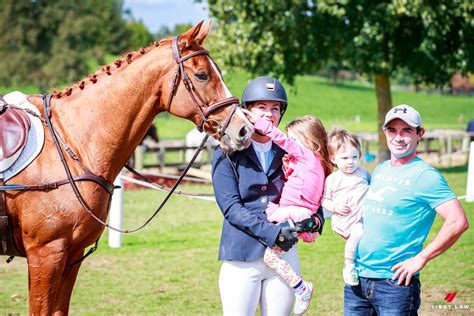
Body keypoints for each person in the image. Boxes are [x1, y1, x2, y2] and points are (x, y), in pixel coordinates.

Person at [212, 76, 325, 316]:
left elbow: (313, 185)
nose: (269, 114)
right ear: (248, 110)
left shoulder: (290, 149)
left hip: (284, 257)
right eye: (261, 107)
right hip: (242, 256)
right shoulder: (226, 153)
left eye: (275, 108)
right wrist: (272, 233)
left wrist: (317, 219)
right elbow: (231, 208)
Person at [344, 104, 469, 315]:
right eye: (392, 130)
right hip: (357, 279)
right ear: (384, 132)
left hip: (395, 284)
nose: (398, 137)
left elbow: (458, 221)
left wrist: (421, 258)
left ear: (420, 134)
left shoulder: (426, 176)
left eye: (407, 131)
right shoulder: (381, 168)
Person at [243, 112, 332, 315]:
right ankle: (298, 288)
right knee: (273, 255)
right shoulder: (316, 162)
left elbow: (280, 138)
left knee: (270, 258)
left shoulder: (306, 155)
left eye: (294, 139)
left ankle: (302, 289)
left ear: (307, 140)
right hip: (301, 214)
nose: (289, 143)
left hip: (293, 213)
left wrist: (259, 123)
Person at [321, 129, 370, 286]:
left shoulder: (364, 174)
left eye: (354, 157)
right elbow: (325, 200)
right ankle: (349, 265)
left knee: (365, 239)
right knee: (358, 233)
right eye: (345, 158)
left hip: (363, 216)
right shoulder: (333, 179)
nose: (350, 161)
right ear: (333, 159)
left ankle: (365, 268)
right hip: (345, 219)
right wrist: (334, 207)